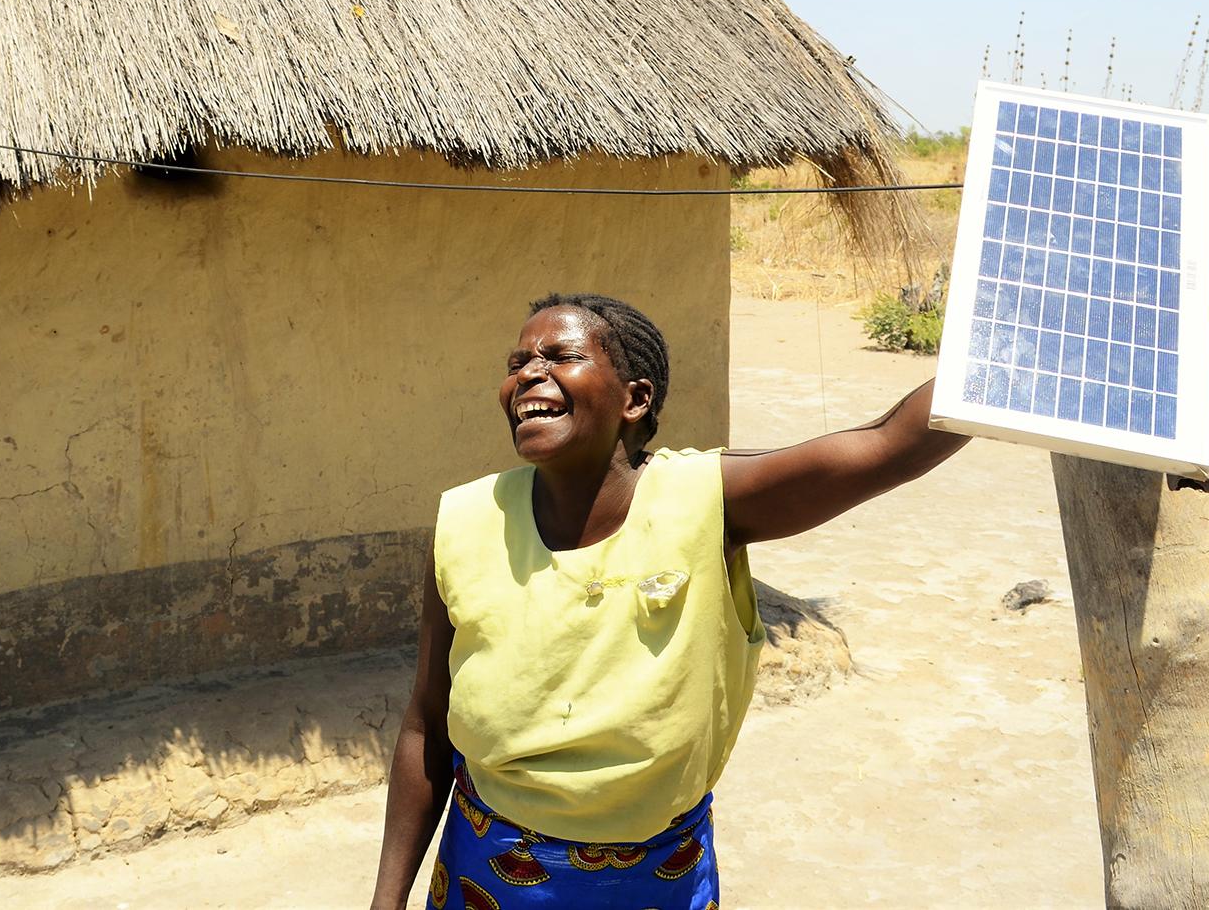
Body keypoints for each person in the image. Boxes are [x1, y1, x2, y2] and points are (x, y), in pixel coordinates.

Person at [369, 291, 970, 909]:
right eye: (517, 361)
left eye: (559, 355)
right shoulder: (465, 520)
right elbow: (428, 721)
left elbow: (889, 443)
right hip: (489, 870)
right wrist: (386, 901)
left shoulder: (706, 501)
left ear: (635, 398)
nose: (527, 373)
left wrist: (1014, 347)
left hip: (658, 879)